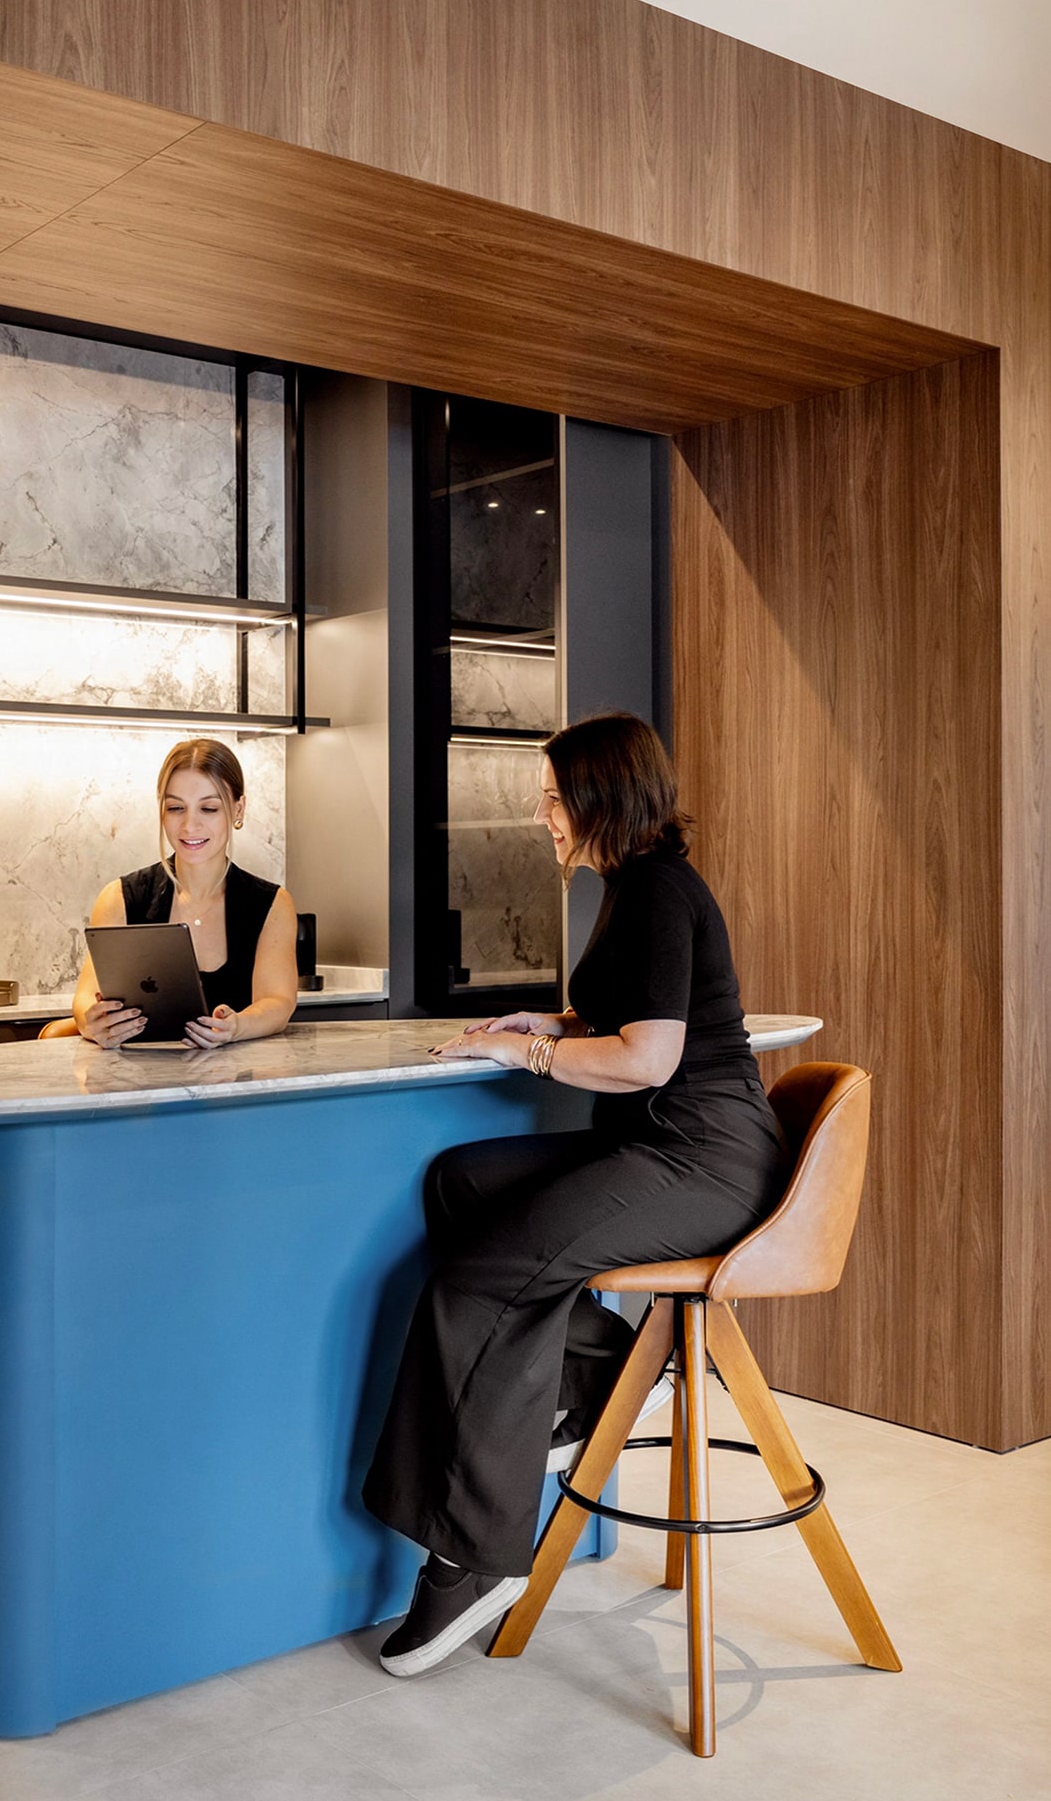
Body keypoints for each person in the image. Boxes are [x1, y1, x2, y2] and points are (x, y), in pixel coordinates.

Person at [362, 711, 788, 1677]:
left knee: (475, 1282)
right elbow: (630, 1013)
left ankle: (474, 1556)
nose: (543, 816)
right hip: (660, 1150)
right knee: (462, 1181)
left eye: (554, 798)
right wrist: (545, 1020)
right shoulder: (633, 888)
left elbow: (650, 1057)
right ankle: (596, 1380)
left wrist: (531, 1052)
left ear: (600, 797)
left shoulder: (659, 890)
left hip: (701, 1163)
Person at [72, 737, 298, 1050]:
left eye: (208, 808)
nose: (190, 825)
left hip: (237, 1079)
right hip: (138, 1077)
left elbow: (278, 1003)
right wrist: (92, 1023)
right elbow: (85, 999)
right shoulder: (119, 898)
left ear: (238, 809)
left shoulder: (272, 905)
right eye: (176, 808)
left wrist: (236, 1027)